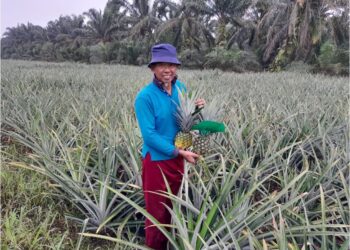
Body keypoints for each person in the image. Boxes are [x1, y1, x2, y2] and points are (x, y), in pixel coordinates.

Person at [134, 43, 205, 249]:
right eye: (162, 65)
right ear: (153, 68)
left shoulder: (181, 89)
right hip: (157, 161)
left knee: (175, 205)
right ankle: (155, 246)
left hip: (177, 157)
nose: (168, 69)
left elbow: (185, 121)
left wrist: (197, 110)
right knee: (157, 211)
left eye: (172, 65)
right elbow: (149, 136)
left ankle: (170, 242)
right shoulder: (145, 97)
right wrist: (178, 151)